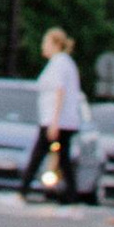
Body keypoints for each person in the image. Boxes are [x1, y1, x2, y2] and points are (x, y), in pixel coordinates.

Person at [20, 27, 85, 203]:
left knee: (38, 155)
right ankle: (71, 195)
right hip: (62, 120)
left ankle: (22, 192)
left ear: (55, 44)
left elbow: (59, 91)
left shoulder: (59, 63)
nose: (43, 46)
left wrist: (54, 121)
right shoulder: (64, 62)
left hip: (55, 120)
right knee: (63, 159)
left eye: (46, 43)